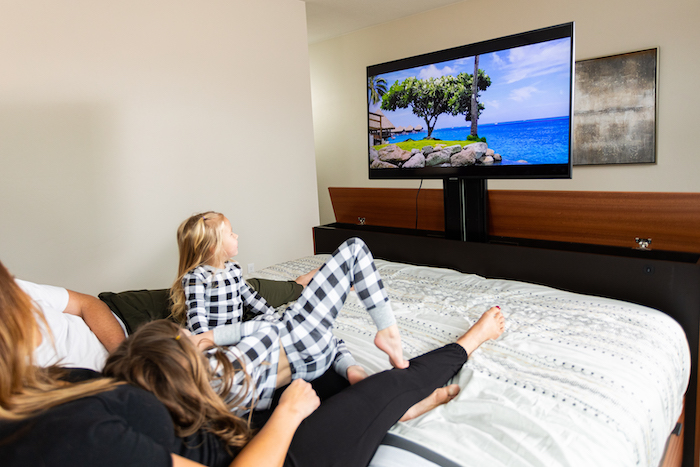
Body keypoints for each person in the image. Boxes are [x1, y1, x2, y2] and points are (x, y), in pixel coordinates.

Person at [0, 256, 505, 467]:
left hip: (227, 422)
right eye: (15, 300)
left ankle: (384, 399)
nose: (30, 307)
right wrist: (286, 416)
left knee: (310, 363)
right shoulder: (63, 437)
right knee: (377, 388)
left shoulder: (44, 387)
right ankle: (469, 343)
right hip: (274, 455)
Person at [170, 212, 408, 388]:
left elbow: (250, 297)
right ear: (213, 247)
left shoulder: (233, 269)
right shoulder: (196, 277)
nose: (237, 235)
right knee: (353, 253)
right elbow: (197, 316)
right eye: (231, 233)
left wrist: (272, 315)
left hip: (238, 331)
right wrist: (207, 343)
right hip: (219, 339)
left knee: (312, 329)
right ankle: (352, 360)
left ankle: (349, 365)